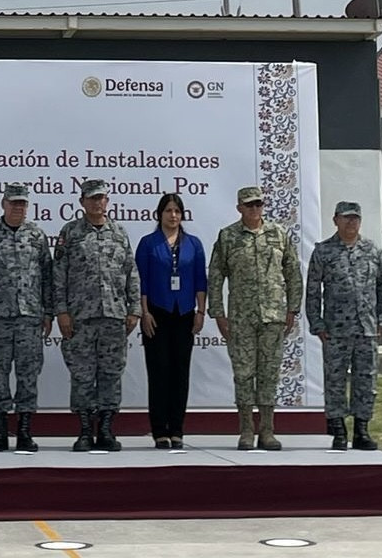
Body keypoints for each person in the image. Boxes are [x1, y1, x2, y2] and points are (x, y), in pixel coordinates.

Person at [208, 186, 303, 451]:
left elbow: (293, 273)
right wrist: (218, 313)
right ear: (239, 207)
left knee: (269, 374)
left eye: (259, 204)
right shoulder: (228, 237)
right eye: (249, 205)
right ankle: (246, 430)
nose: (255, 209)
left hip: (273, 317)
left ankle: (268, 430)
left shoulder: (278, 234)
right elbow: (215, 276)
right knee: (243, 374)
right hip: (241, 318)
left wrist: (292, 309)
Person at [53, 179, 141, 452]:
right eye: (92, 198)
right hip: (80, 317)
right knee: (81, 374)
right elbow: (59, 276)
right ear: (82, 202)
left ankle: (105, 429)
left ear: (107, 201)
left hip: (114, 315)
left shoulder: (119, 233)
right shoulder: (70, 233)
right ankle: (83, 431)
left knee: (111, 373)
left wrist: (134, 309)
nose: (97, 203)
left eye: (101, 198)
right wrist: (62, 312)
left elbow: (131, 272)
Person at [0, 182, 54, 453]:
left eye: (23, 203)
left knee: (28, 374)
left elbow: (48, 279)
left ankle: (25, 432)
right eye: (14, 202)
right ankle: (1, 432)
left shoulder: (37, 236)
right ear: (3, 203)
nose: (18, 207)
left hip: (30, 317)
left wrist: (48, 313)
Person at [306, 201, 382, 451]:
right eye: (346, 218)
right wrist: (317, 323)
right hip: (335, 329)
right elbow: (313, 292)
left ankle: (362, 429)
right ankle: (337, 429)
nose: (351, 223)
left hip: (367, 329)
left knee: (365, 380)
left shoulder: (373, 250)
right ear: (335, 220)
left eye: (355, 218)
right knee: (335, 379)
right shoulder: (324, 252)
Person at [135, 193, 208, 450]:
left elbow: (201, 279)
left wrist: (201, 311)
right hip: (156, 313)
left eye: (177, 211)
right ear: (160, 214)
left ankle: (177, 430)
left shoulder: (193, 244)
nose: (173, 215)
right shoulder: (148, 243)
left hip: (185, 313)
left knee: (180, 373)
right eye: (168, 211)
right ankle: (159, 431)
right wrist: (144, 312)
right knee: (159, 373)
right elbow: (141, 281)